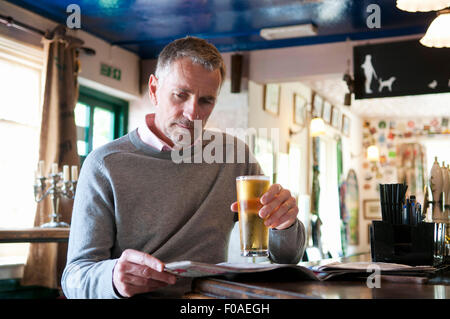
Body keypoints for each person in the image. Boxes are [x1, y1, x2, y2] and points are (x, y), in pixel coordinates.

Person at [61, 36, 306, 299]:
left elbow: (287, 257)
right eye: (181, 95)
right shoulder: (104, 164)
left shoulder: (234, 155)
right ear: (154, 89)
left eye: (206, 101)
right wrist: (111, 278)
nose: (193, 114)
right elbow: (74, 279)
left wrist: (285, 225)